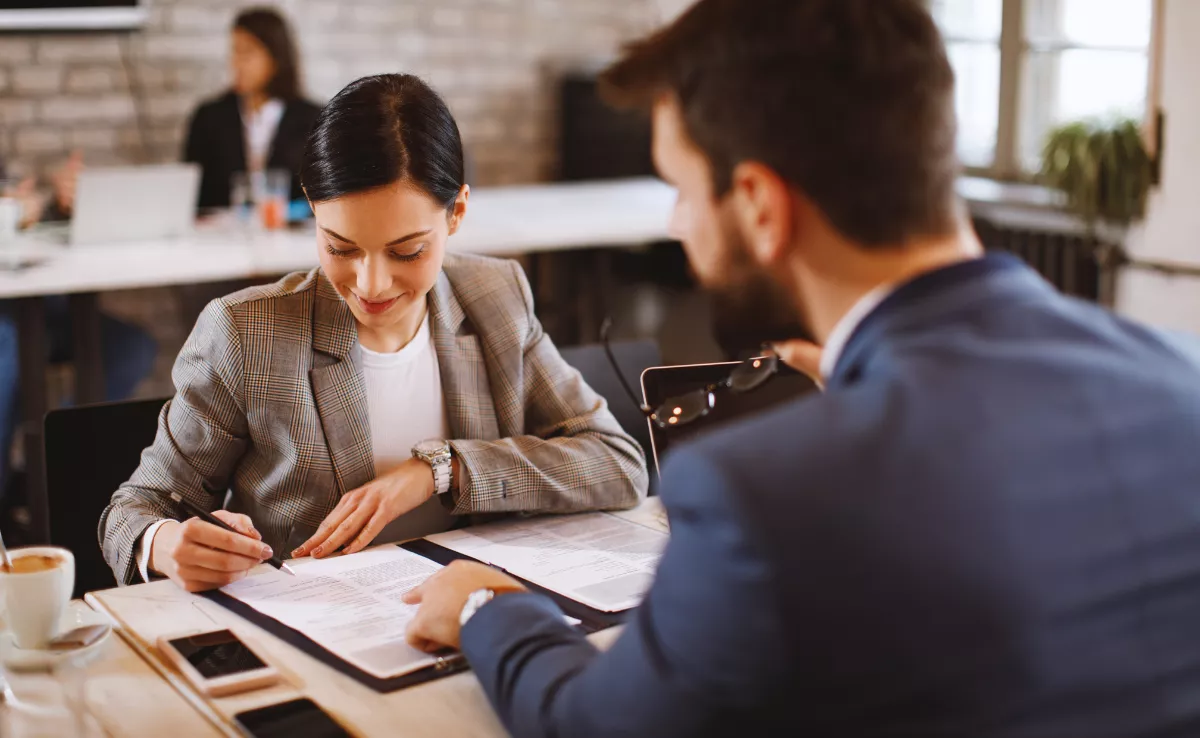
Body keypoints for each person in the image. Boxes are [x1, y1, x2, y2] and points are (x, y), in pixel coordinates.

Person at [401, 1, 1200, 736]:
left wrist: (486, 607)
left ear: (758, 205)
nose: (678, 223)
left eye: (680, 191)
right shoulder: (1181, 379)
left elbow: (593, 726)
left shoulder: (762, 491)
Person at [100, 73, 649, 592]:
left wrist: (442, 469)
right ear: (313, 210)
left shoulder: (495, 296)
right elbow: (134, 511)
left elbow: (618, 463)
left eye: (406, 251)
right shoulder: (247, 332)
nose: (370, 283)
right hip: (315, 633)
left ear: (456, 212)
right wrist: (165, 545)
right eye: (340, 248)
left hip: (470, 620)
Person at [0, 156, 156, 514]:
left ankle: (55, 468)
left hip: (39, 300)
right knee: (8, 343)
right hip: (7, 313)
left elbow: (21, 212)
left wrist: (54, 203)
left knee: (130, 346)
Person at [183, 8, 321, 211]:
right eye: (234, 51)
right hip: (220, 237)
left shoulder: (314, 119)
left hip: (292, 237)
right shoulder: (209, 117)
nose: (236, 63)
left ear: (275, 57)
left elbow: (326, 194)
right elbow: (192, 194)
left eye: (247, 52)